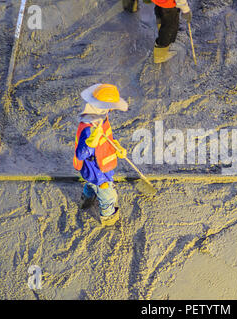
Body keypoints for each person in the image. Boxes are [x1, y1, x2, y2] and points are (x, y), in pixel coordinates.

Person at [73, 84, 128, 227]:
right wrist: (91, 142)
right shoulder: (89, 129)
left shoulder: (102, 118)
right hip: (96, 169)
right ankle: (108, 217)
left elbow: (108, 138)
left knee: (92, 185)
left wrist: (117, 147)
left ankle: (88, 197)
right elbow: (81, 154)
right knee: (108, 195)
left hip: (103, 162)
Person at [122, 0, 192, 63]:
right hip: (169, 5)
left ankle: (161, 24)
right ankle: (160, 55)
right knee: (170, 27)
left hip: (159, 1)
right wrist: (185, 10)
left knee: (161, 13)